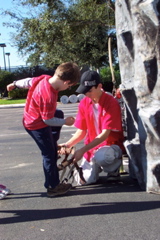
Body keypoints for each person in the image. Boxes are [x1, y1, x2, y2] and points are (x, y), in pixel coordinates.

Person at [7, 62, 80, 197]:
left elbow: (27, 82)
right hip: (37, 125)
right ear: (67, 82)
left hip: (31, 117)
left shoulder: (44, 78)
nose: (67, 88)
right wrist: (66, 122)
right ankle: (53, 187)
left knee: (58, 113)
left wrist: (15, 83)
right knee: (49, 155)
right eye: (69, 86)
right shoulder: (48, 96)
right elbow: (47, 120)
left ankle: (52, 144)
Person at [59, 70, 124, 185]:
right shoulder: (84, 103)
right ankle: (90, 168)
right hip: (92, 148)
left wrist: (82, 150)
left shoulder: (111, 102)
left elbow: (105, 134)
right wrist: (67, 145)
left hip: (110, 146)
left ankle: (113, 169)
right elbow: (81, 131)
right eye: (84, 91)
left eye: (89, 91)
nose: (87, 94)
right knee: (85, 181)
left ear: (99, 86)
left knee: (103, 156)